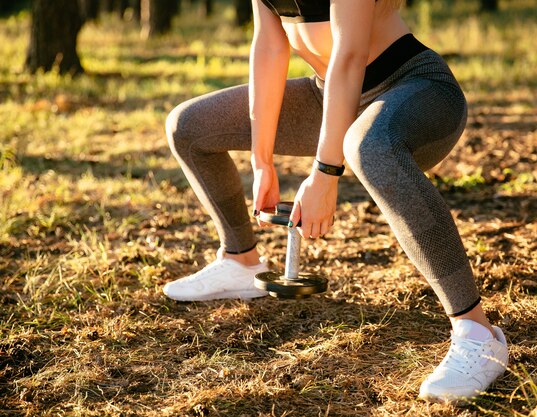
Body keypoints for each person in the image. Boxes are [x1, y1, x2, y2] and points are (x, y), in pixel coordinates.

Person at [163, 0, 508, 402]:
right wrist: (262, 160)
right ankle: (240, 261)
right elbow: (269, 48)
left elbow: (350, 55)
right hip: (327, 93)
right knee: (189, 126)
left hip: (413, 89)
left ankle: (478, 333)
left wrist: (324, 174)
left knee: (368, 147)